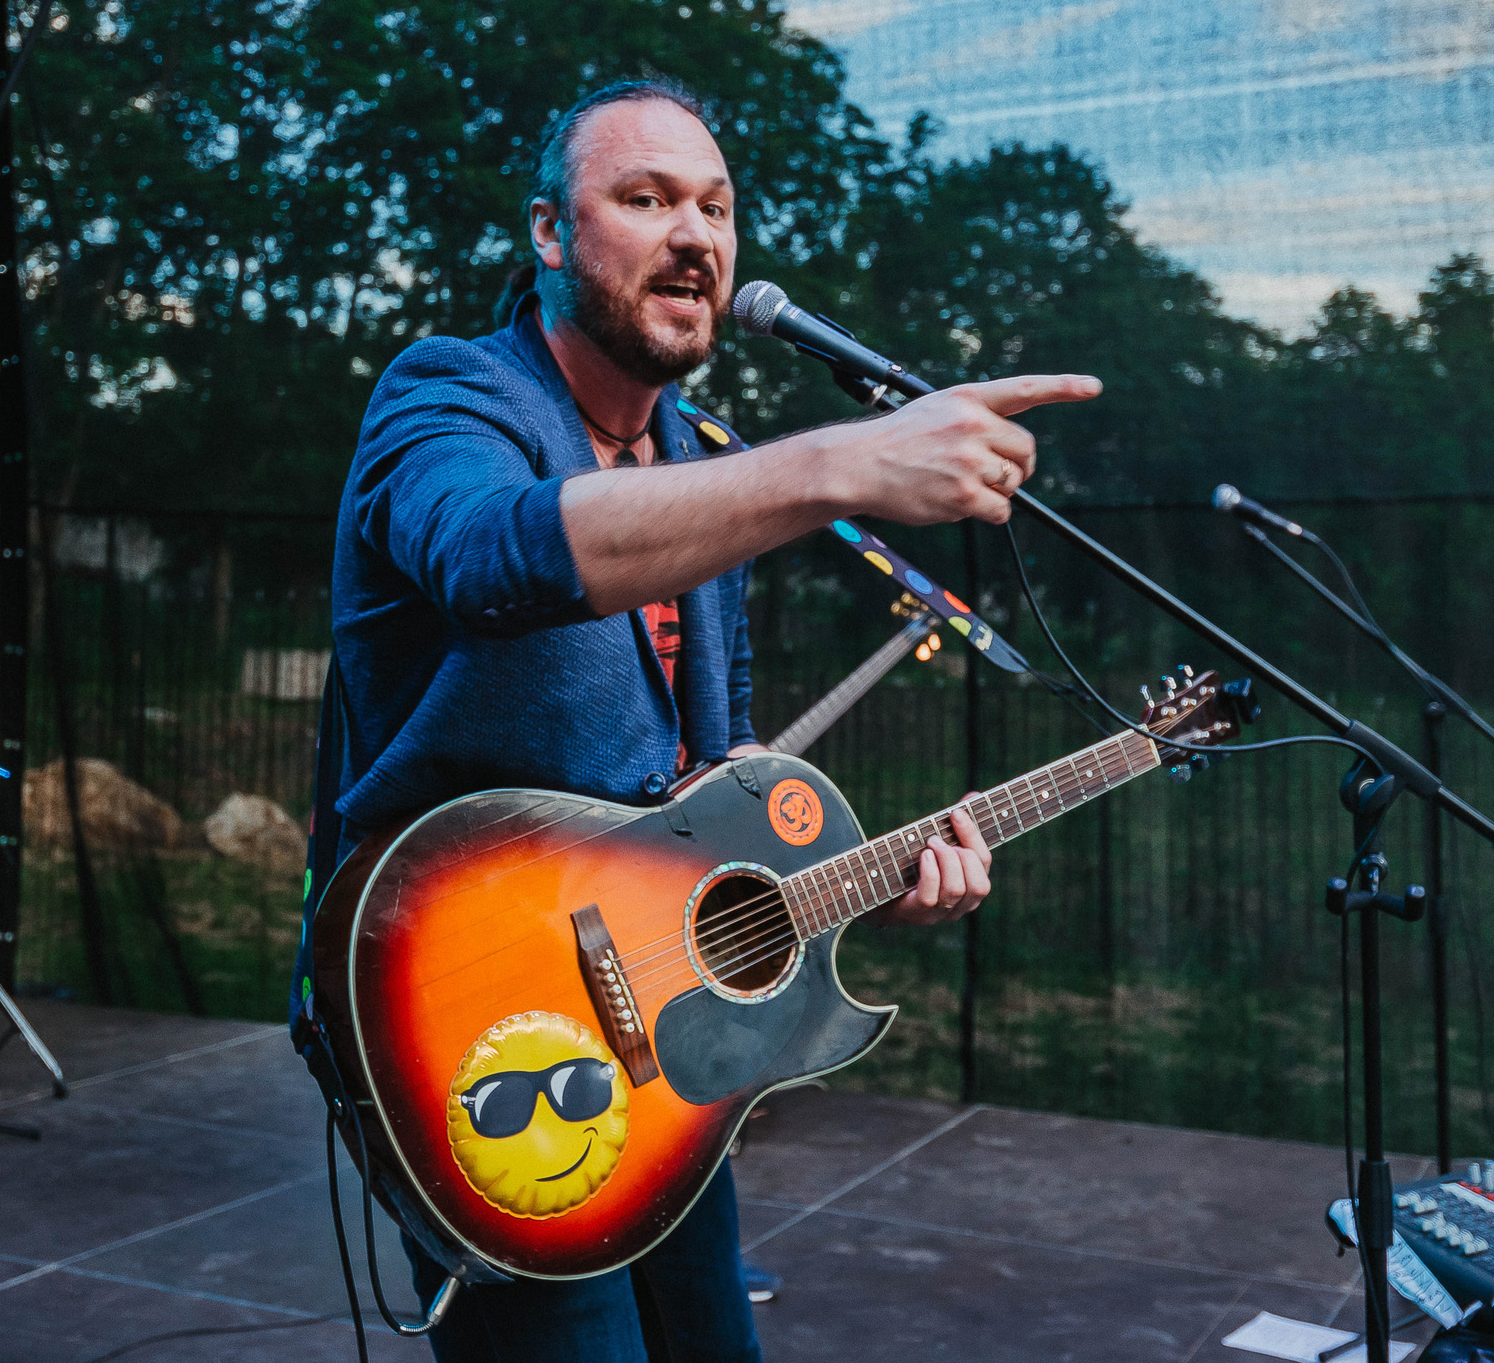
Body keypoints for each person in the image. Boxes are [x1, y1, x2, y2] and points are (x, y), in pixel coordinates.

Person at [293, 74, 1100, 1362]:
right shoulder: (446, 397)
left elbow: (693, 791)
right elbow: (494, 556)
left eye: (717, 207)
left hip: (661, 1044)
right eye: (647, 197)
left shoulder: (702, 449)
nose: (697, 236)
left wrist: (857, 884)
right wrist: (841, 459)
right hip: (477, 1017)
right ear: (551, 233)